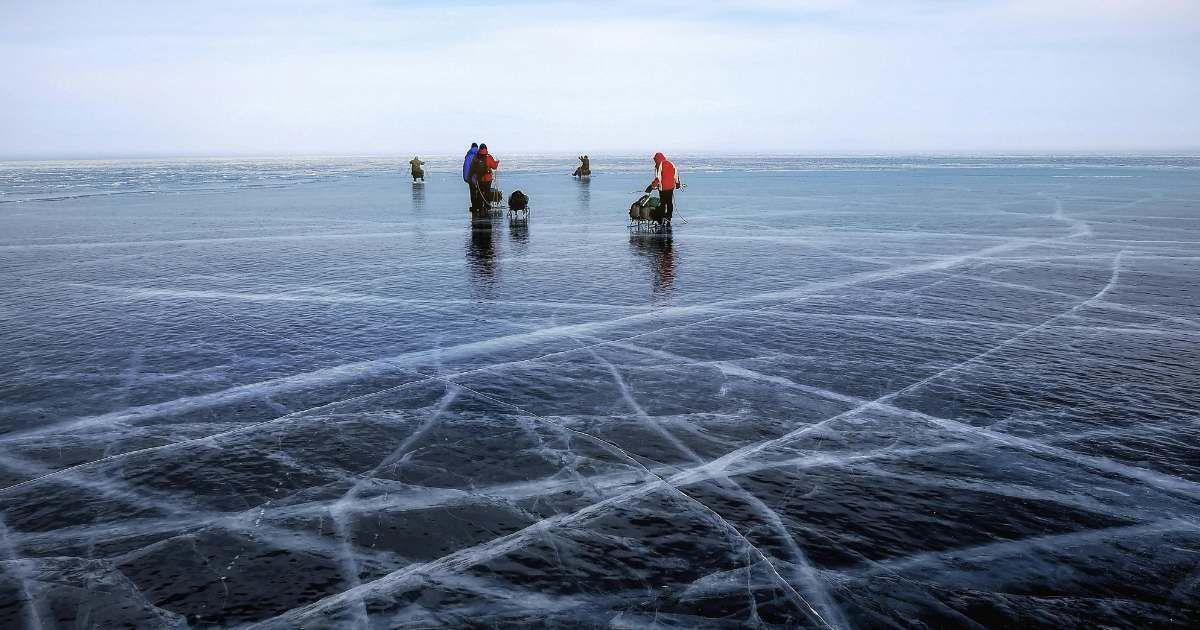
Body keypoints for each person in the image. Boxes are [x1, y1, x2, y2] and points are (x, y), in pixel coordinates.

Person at [645, 152, 680, 221]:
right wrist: (677, 184)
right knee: (669, 202)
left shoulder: (660, 165)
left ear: (657, 159)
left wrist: (651, 187)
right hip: (671, 187)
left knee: (662, 203)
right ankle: (669, 216)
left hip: (663, 188)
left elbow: (658, 178)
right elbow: (676, 175)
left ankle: (661, 217)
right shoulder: (671, 163)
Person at [470, 143, 499, 211]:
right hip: (488, 179)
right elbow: (494, 166)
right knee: (487, 192)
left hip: (479, 178)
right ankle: (487, 206)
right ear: (486, 149)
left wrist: (473, 176)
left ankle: (480, 206)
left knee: (480, 193)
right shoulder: (488, 157)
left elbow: (472, 168)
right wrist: (497, 162)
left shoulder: (476, 157)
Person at [463, 142, 480, 211]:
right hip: (480, 177)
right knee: (480, 191)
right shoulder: (480, 155)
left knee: (473, 192)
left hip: (471, 177)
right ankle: (480, 206)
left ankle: (474, 206)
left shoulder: (468, 156)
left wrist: (466, 178)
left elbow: (466, 167)